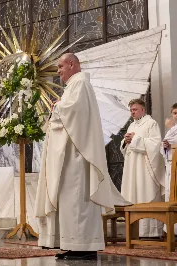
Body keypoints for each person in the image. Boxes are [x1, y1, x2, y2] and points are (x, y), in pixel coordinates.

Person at [34, 53, 130, 260]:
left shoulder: (80, 84)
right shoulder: (74, 86)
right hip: (70, 155)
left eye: (60, 66)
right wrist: (59, 106)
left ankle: (84, 247)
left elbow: (74, 112)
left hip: (78, 156)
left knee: (78, 200)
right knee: (70, 201)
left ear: (72, 64)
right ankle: (71, 244)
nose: (58, 71)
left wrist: (57, 106)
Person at [121, 99, 165, 238]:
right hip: (132, 166)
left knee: (146, 194)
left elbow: (156, 144)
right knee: (134, 195)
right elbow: (126, 147)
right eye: (131, 110)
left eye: (135, 109)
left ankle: (151, 232)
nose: (132, 112)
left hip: (145, 168)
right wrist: (126, 141)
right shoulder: (131, 126)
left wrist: (135, 139)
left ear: (143, 110)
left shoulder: (151, 123)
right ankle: (136, 232)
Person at [161, 103, 177, 233]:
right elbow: (165, 148)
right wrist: (165, 146)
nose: (176, 116)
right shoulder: (171, 129)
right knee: (171, 196)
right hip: (171, 165)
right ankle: (173, 231)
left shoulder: (172, 128)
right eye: (175, 113)